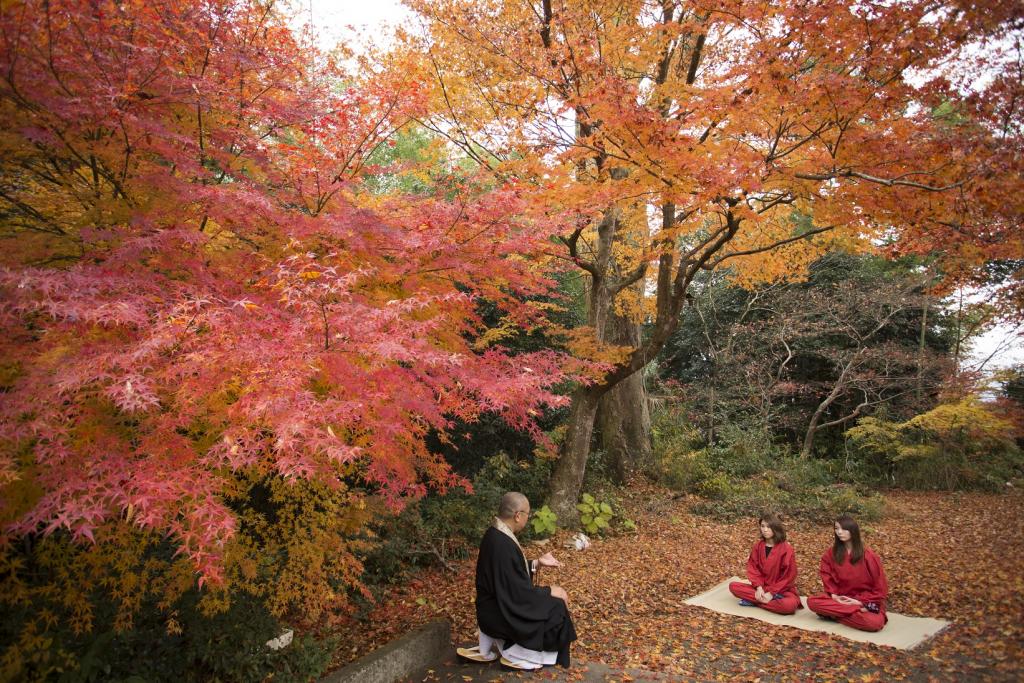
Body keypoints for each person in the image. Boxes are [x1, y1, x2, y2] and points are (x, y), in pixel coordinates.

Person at [456, 492, 577, 670]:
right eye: (528, 514)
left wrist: (537, 563)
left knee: (551, 602)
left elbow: (509, 575)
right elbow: (516, 591)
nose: (528, 518)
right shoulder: (500, 542)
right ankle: (522, 653)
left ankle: (519, 650)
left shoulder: (497, 534)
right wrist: (550, 590)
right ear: (518, 515)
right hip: (497, 611)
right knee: (556, 607)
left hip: (496, 603)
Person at [806, 515, 888, 631]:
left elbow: (880, 587)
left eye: (843, 529)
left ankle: (833, 614)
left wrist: (860, 602)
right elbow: (826, 575)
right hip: (841, 599)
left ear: (853, 530)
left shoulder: (869, 556)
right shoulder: (831, 554)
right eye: (836, 528)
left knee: (874, 623)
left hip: (864, 600)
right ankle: (848, 613)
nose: (839, 532)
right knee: (812, 602)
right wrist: (834, 595)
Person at [728, 513, 802, 615]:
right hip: (762, 588)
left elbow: (789, 576)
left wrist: (772, 593)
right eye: (763, 526)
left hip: (781, 590)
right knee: (733, 586)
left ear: (775, 528)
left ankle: (755, 601)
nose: (765, 530)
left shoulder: (786, 548)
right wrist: (759, 588)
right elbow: (753, 569)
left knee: (789, 606)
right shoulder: (758, 546)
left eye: (769, 527)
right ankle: (764, 601)